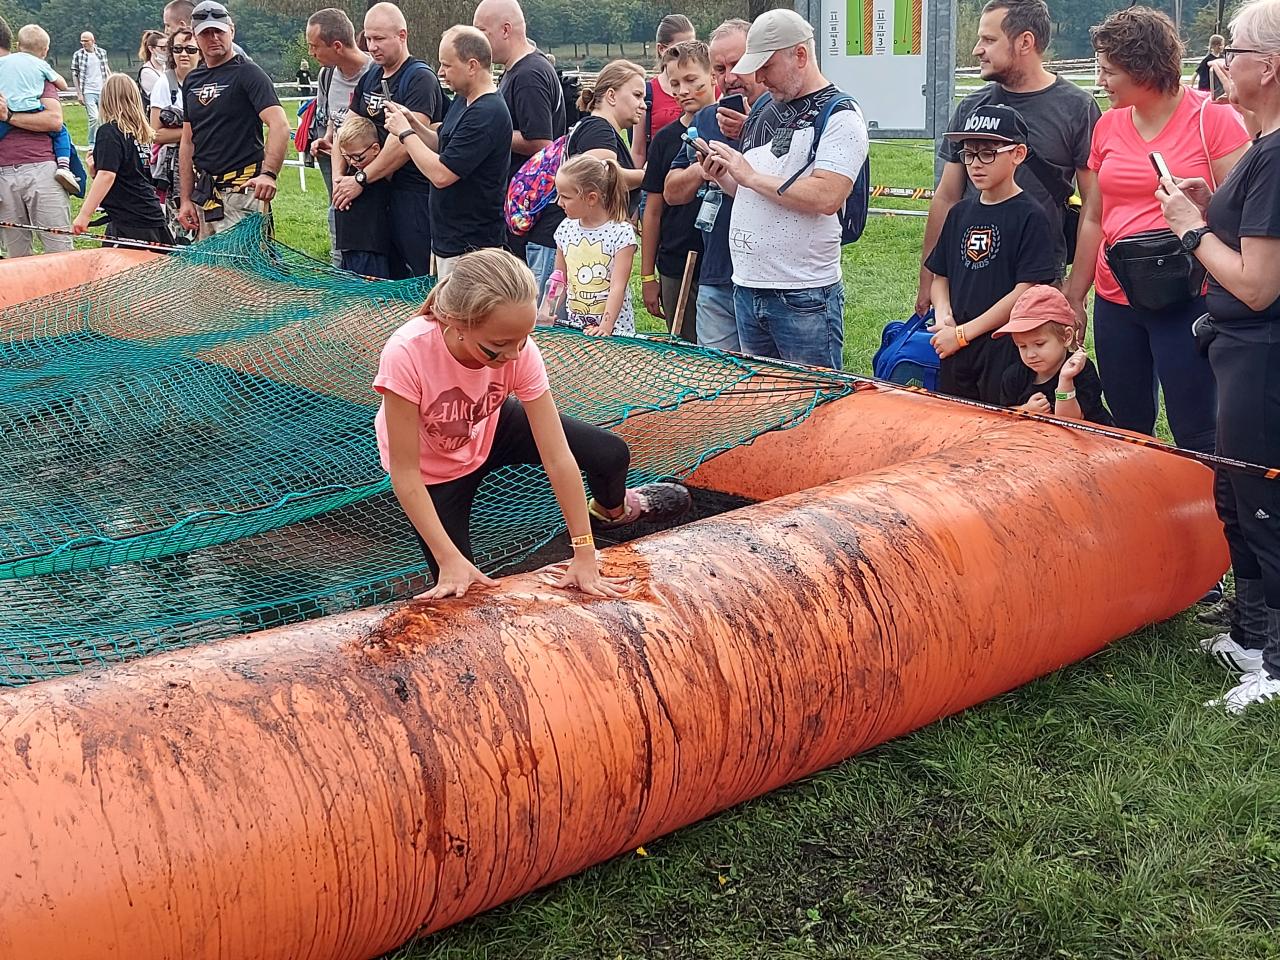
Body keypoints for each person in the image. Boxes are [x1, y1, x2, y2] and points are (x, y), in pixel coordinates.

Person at [373, 246, 691, 599]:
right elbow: (405, 472)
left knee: (610, 453)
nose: (514, 355)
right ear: (457, 324)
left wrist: (584, 552)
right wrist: (448, 557)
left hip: (489, 425)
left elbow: (557, 456)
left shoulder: (519, 352)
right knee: (461, 587)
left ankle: (610, 511)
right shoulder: (408, 352)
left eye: (523, 339)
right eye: (499, 345)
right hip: (433, 468)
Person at [1158, 0, 1280, 713]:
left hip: (1261, 350)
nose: (1221, 62)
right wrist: (1211, 207)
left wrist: (1190, 227)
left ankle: (1277, 664)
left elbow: (1258, 286)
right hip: (1238, 349)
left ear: (1270, 66)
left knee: (1264, 504)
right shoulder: (1261, 147)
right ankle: (1251, 637)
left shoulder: (1276, 155)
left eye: (1232, 51)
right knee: (1237, 497)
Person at [1067, 7, 1249, 455]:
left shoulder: (1212, 119)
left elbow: (1246, 212)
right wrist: (1075, 294)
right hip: (1116, 297)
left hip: (1187, 296)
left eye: (1109, 71)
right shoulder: (1108, 124)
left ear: (1143, 68)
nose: (1100, 81)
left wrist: (1205, 206)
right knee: (1127, 427)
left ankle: (1207, 498)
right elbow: (1094, 217)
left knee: (1197, 429)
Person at [700, 9, 866, 371]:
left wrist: (748, 176)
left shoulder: (841, 115)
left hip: (803, 294)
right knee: (761, 399)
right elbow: (757, 192)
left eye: (767, 66)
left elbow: (827, 196)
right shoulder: (765, 108)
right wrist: (724, 175)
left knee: (813, 399)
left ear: (800, 55)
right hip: (747, 287)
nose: (759, 77)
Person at [917, 0, 1101, 321]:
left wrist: (1074, 293)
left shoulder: (1078, 108)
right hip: (969, 278)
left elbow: (1093, 210)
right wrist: (928, 280)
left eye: (989, 40)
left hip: (1039, 283)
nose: (977, 50)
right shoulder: (971, 107)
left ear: (1025, 42)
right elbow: (946, 197)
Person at [925, 105, 1057, 402]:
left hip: (1005, 346)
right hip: (956, 346)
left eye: (988, 153)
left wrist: (964, 334)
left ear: (1018, 154)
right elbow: (940, 276)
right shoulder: (959, 212)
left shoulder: (1031, 216)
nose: (975, 164)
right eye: (968, 154)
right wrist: (944, 316)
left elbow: (1025, 291)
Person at [664, 18, 768, 353]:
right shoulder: (707, 118)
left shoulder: (785, 115)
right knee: (716, 378)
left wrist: (752, 130)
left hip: (770, 281)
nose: (730, 77)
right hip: (716, 273)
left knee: (771, 378)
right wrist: (702, 170)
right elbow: (671, 191)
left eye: (738, 64)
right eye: (720, 68)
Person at [384, 26, 511, 278]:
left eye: (447, 65)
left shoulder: (487, 113)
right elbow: (442, 145)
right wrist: (413, 124)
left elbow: (442, 174)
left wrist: (404, 134)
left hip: (472, 249)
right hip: (448, 241)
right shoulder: (464, 100)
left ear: (472, 66)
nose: (440, 72)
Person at [333, 1, 445, 279]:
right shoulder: (370, 75)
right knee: (378, 278)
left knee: (418, 275)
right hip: (373, 196)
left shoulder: (420, 78)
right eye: (368, 39)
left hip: (412, 193)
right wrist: (340, 180)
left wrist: (360, 179)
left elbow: (404, 143)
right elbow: (344, 130)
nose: (372, 47)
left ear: (402, 35)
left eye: (379, 39)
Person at [473, 0, 565, 290]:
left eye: (482, 31)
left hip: (533, 212)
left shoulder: (529, 75)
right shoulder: (516, 70)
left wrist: (487, 131)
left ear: (505, 30)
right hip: (522, 210)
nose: (477, 41)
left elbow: (541, 142)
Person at [176, 1, 287, 238]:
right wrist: (185, 198)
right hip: (205, 195)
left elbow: (279, 124)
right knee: (206, 262)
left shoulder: (249, 73)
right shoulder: (192, 80)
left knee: (244, 262)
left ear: (232, 31)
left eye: (219, 31)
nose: (214, 38)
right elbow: (187, 141)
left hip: (242, 192)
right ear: (195, 37)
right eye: (206, 33)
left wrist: (268, 174)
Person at [639, 40, 716, 341]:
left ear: (712, 76)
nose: (683, 90)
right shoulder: (665, 140)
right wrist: (648, 276)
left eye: (691, 80)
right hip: (677, 264)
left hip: (721, 264)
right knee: (684, 351)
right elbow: (653, 211)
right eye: (675, 84)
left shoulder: (734, 129)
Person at [534, 61, 650, 251]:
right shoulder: (599, 130)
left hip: (562, 240)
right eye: (637, 95)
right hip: (565, 245)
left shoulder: (592, 127)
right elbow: (601, 177)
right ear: (611, 95)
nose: (643, 105)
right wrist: (646, 176)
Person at [72, 74, 172, 247]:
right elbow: (127, 173)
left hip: (131, 220)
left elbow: (107, 175)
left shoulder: (109, 132)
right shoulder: (139, 134)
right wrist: (95, 171)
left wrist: (84, 215)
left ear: (106, 99)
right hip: (147, 213)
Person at [0, 16, 72, 257]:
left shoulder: (31, 70)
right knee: (16, 258)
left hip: (41, 169)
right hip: (3, 176)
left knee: (59, 251)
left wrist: (9, 116)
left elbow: (54, 120)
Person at [306, 8, 371, 268]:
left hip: (371, 174)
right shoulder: (327, 75)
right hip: (337, 167)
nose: (311, 53)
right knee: (337, 221)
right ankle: (340, 273)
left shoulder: (374, 73)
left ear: (336, 46)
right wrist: (327, 138)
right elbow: (332, 116)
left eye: (314, 46)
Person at [994, 285, 1113, 424]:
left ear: (1067, 337)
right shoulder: (1013, 376)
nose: (1030, 354)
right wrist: (1026, 410)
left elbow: (1071, 421)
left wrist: (1065, 380)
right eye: (1022, 346)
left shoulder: (1080, 370)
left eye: (1039, 344)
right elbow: (1004, 415)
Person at [552, 155, 637, 336]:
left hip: (614, 333)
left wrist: (606, 327)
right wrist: (547, 312)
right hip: (577, 329)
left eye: (565, 197)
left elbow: (617, 286)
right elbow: (559, 279)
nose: (559, 202)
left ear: (591, 198)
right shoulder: (565, 229)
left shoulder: (621, 233)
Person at [0, 24, 78, 194]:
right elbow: (63, 85)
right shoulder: (41, 65)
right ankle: (64, 166)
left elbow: (53, 120)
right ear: (46, 50)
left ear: (18, 46)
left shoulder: (3, 63)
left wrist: (8, 116)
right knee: (61, 133)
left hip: (6, 111)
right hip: (32, 108)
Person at [149, 26, 199, 239]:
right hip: (174, 167)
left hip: (205, 160)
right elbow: (155, 134)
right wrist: (192, 131)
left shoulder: (208, 81)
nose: (184, 54)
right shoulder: (164, 84)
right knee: (180, 227)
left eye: (190, 49)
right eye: (178, 49)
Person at [631, 14, 695, 169]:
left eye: (692, 47)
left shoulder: (709, 88)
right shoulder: (647, 93)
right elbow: (638, 152)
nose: (688, 55)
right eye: (680, 49)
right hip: (660, 177)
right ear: (662, 49)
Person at [332, 116, 392, 277]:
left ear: (375, 149)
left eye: (358, 157)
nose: (353, 162)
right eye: (347, 157)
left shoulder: (382, 172)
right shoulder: (350, 170)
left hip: (370, 248)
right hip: (348, 247)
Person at [72, 31, 111, 149]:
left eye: (86, 41)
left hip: (102, 89)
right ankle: (92, 143)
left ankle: (104, 140)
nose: (83, 43)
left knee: (104, 118)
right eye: (82, 41)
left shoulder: (102, 53)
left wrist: (111, 85)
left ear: (93, 41)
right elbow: (75, 74)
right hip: (88, 90)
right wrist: (79, 93)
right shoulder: (78, 55)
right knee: (94, 117)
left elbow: (106, 69)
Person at [137, 30, 168, 106]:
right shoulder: (147, 72)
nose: (167, 52)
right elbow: (164, 95)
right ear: (151, 49)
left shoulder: (166, 68)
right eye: (163, 48)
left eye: (169, 48)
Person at [1196, 34, 1227, 100]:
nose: (1223, 46)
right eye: (1222, 45)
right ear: (1216, 46)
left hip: (1219, 88)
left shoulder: (1222, 58)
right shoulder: (1207, 59)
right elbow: (1197, 73)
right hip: (1207, 87)